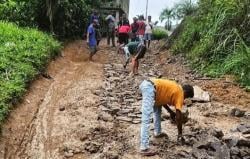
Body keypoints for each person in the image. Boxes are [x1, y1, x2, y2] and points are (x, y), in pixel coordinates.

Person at [139, 79, 194, 156]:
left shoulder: (175, 88)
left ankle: (157, 133)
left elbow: (163, 101)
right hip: (149, 88)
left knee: (158, 109)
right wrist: (180, 134)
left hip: (150, 87)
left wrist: (171, 112)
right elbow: (178, 117)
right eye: (186, 97)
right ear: (186, 92)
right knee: (146, 118)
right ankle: (144, 148)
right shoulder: (180, 93)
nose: (184, 99)